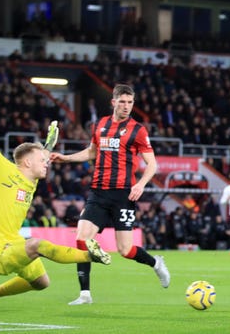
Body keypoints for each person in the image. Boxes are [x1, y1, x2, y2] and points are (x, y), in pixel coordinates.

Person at [0, 76, 111, 311]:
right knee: (37, 245)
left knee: (41, 282)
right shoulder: (3, 170)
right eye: (42, 160)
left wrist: (48, 146)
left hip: (14, 243)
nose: (47, 163)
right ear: (26, 162)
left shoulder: (30, 180)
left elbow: (42, 157)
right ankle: (88, 256)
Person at [49, 83, 170, 305]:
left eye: (130, 102)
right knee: (82, 239)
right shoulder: (101, 124)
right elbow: (92, 152)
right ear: (113, 102)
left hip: (124, 195)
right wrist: (65, 157)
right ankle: (85, 294)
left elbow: (151, 164)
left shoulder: (138, 130)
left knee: (125, 249)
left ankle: (156, 264)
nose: (126, 106)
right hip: (98, 192)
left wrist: (141, 184)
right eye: (122, 102)